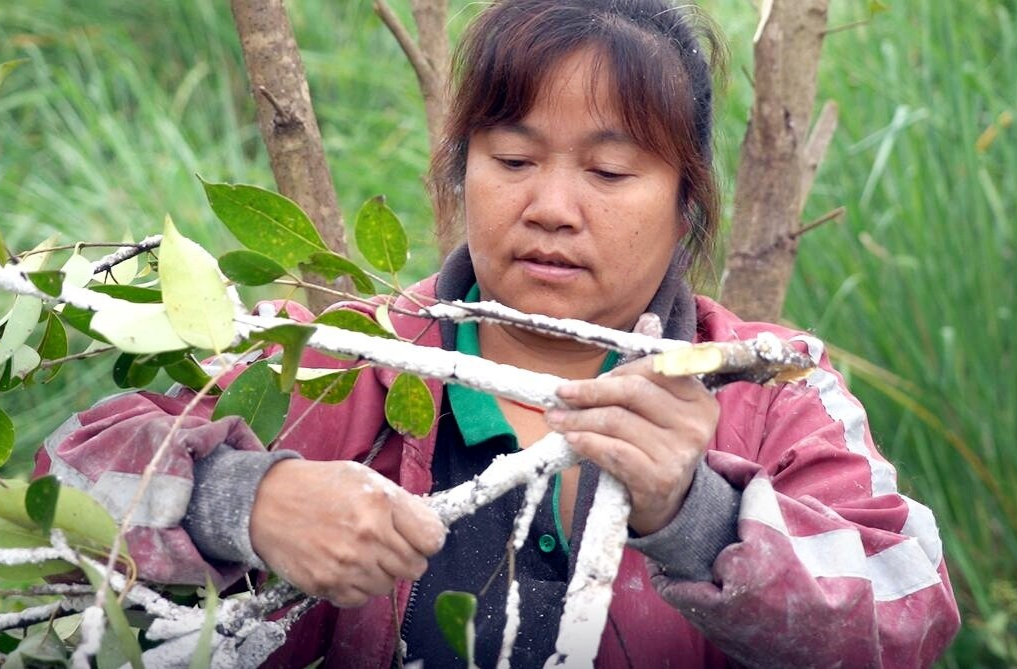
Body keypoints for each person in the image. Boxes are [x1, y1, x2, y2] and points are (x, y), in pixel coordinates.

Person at [36, 0, 960, 666]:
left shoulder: (773, 390)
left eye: (608, 172)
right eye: (513, 158)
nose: (550, 206)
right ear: (462, 172)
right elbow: (66, 479)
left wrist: (696, 514)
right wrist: (243, 500)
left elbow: (908, 608)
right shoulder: (339, 360)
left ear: (686, 204)